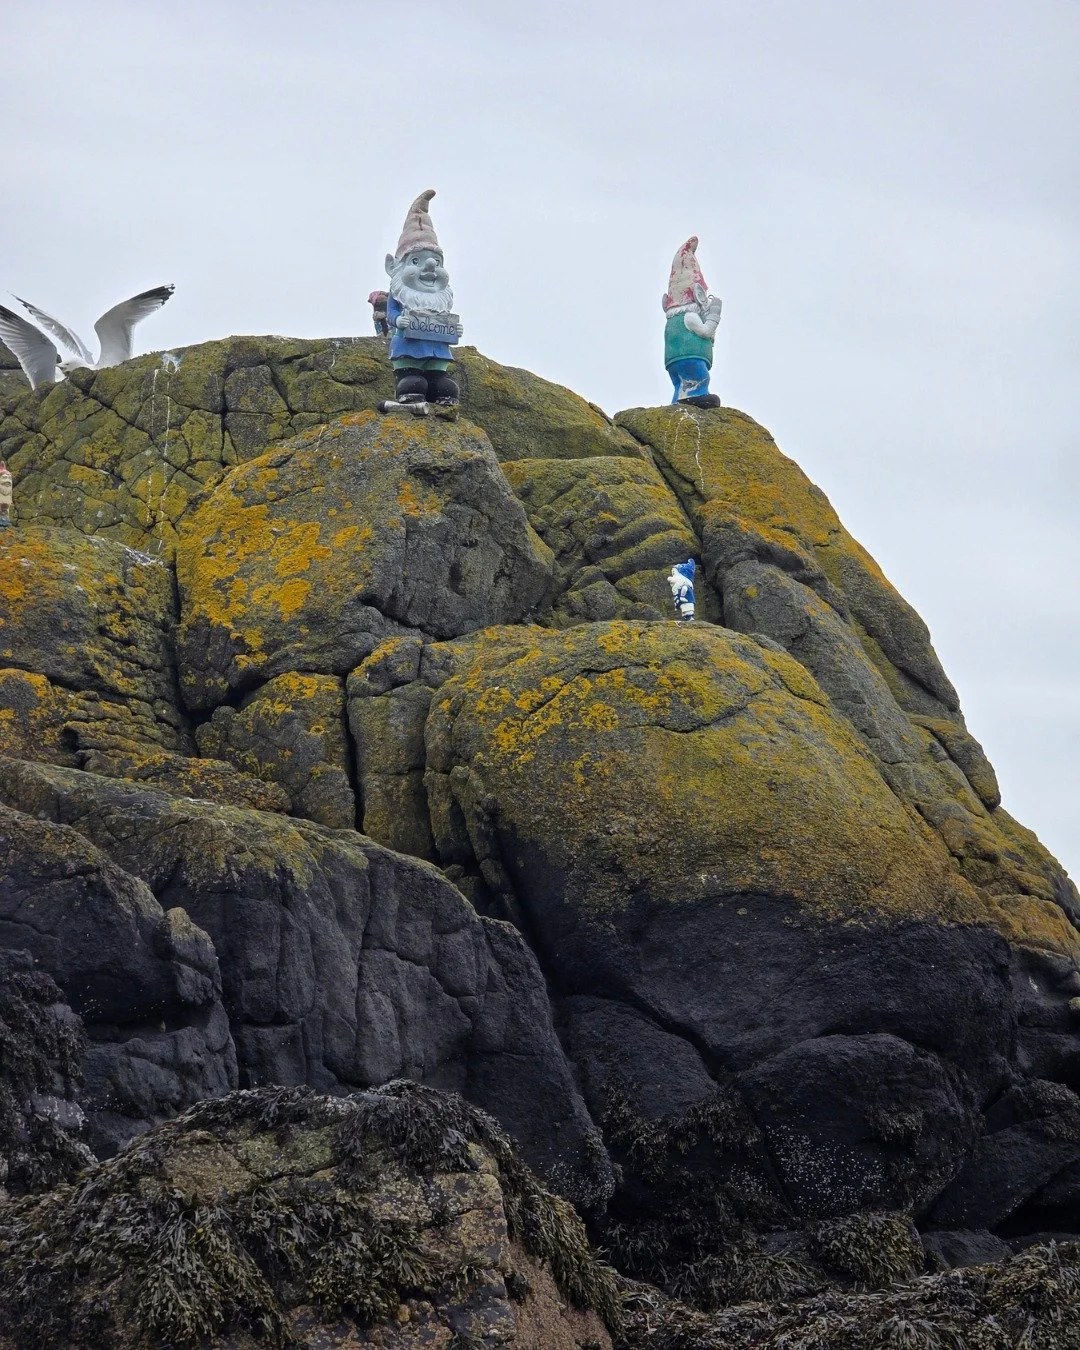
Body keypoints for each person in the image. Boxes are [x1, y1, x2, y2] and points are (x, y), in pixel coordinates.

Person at [382, 189, 463, 407]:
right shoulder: (400, 294)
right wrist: (398, 320)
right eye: (416, 261)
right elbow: (391, 313)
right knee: (413, 383)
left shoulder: (440, 300)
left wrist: (455, 329)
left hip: (437, 350)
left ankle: (438, 392)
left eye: (437, 262)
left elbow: (445, 322)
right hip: (408, 348)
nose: (430, 267)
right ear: (394, 267)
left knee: (445, 386)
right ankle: (409, 391)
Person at [663, 236, 722, 407]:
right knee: (699, 377)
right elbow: (705, 331)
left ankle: (678, 400)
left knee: (679, 382)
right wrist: (714, 315)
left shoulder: (672, 320)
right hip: (690, 357)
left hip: (673, 361)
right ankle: (696, 395)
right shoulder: (689, 316)